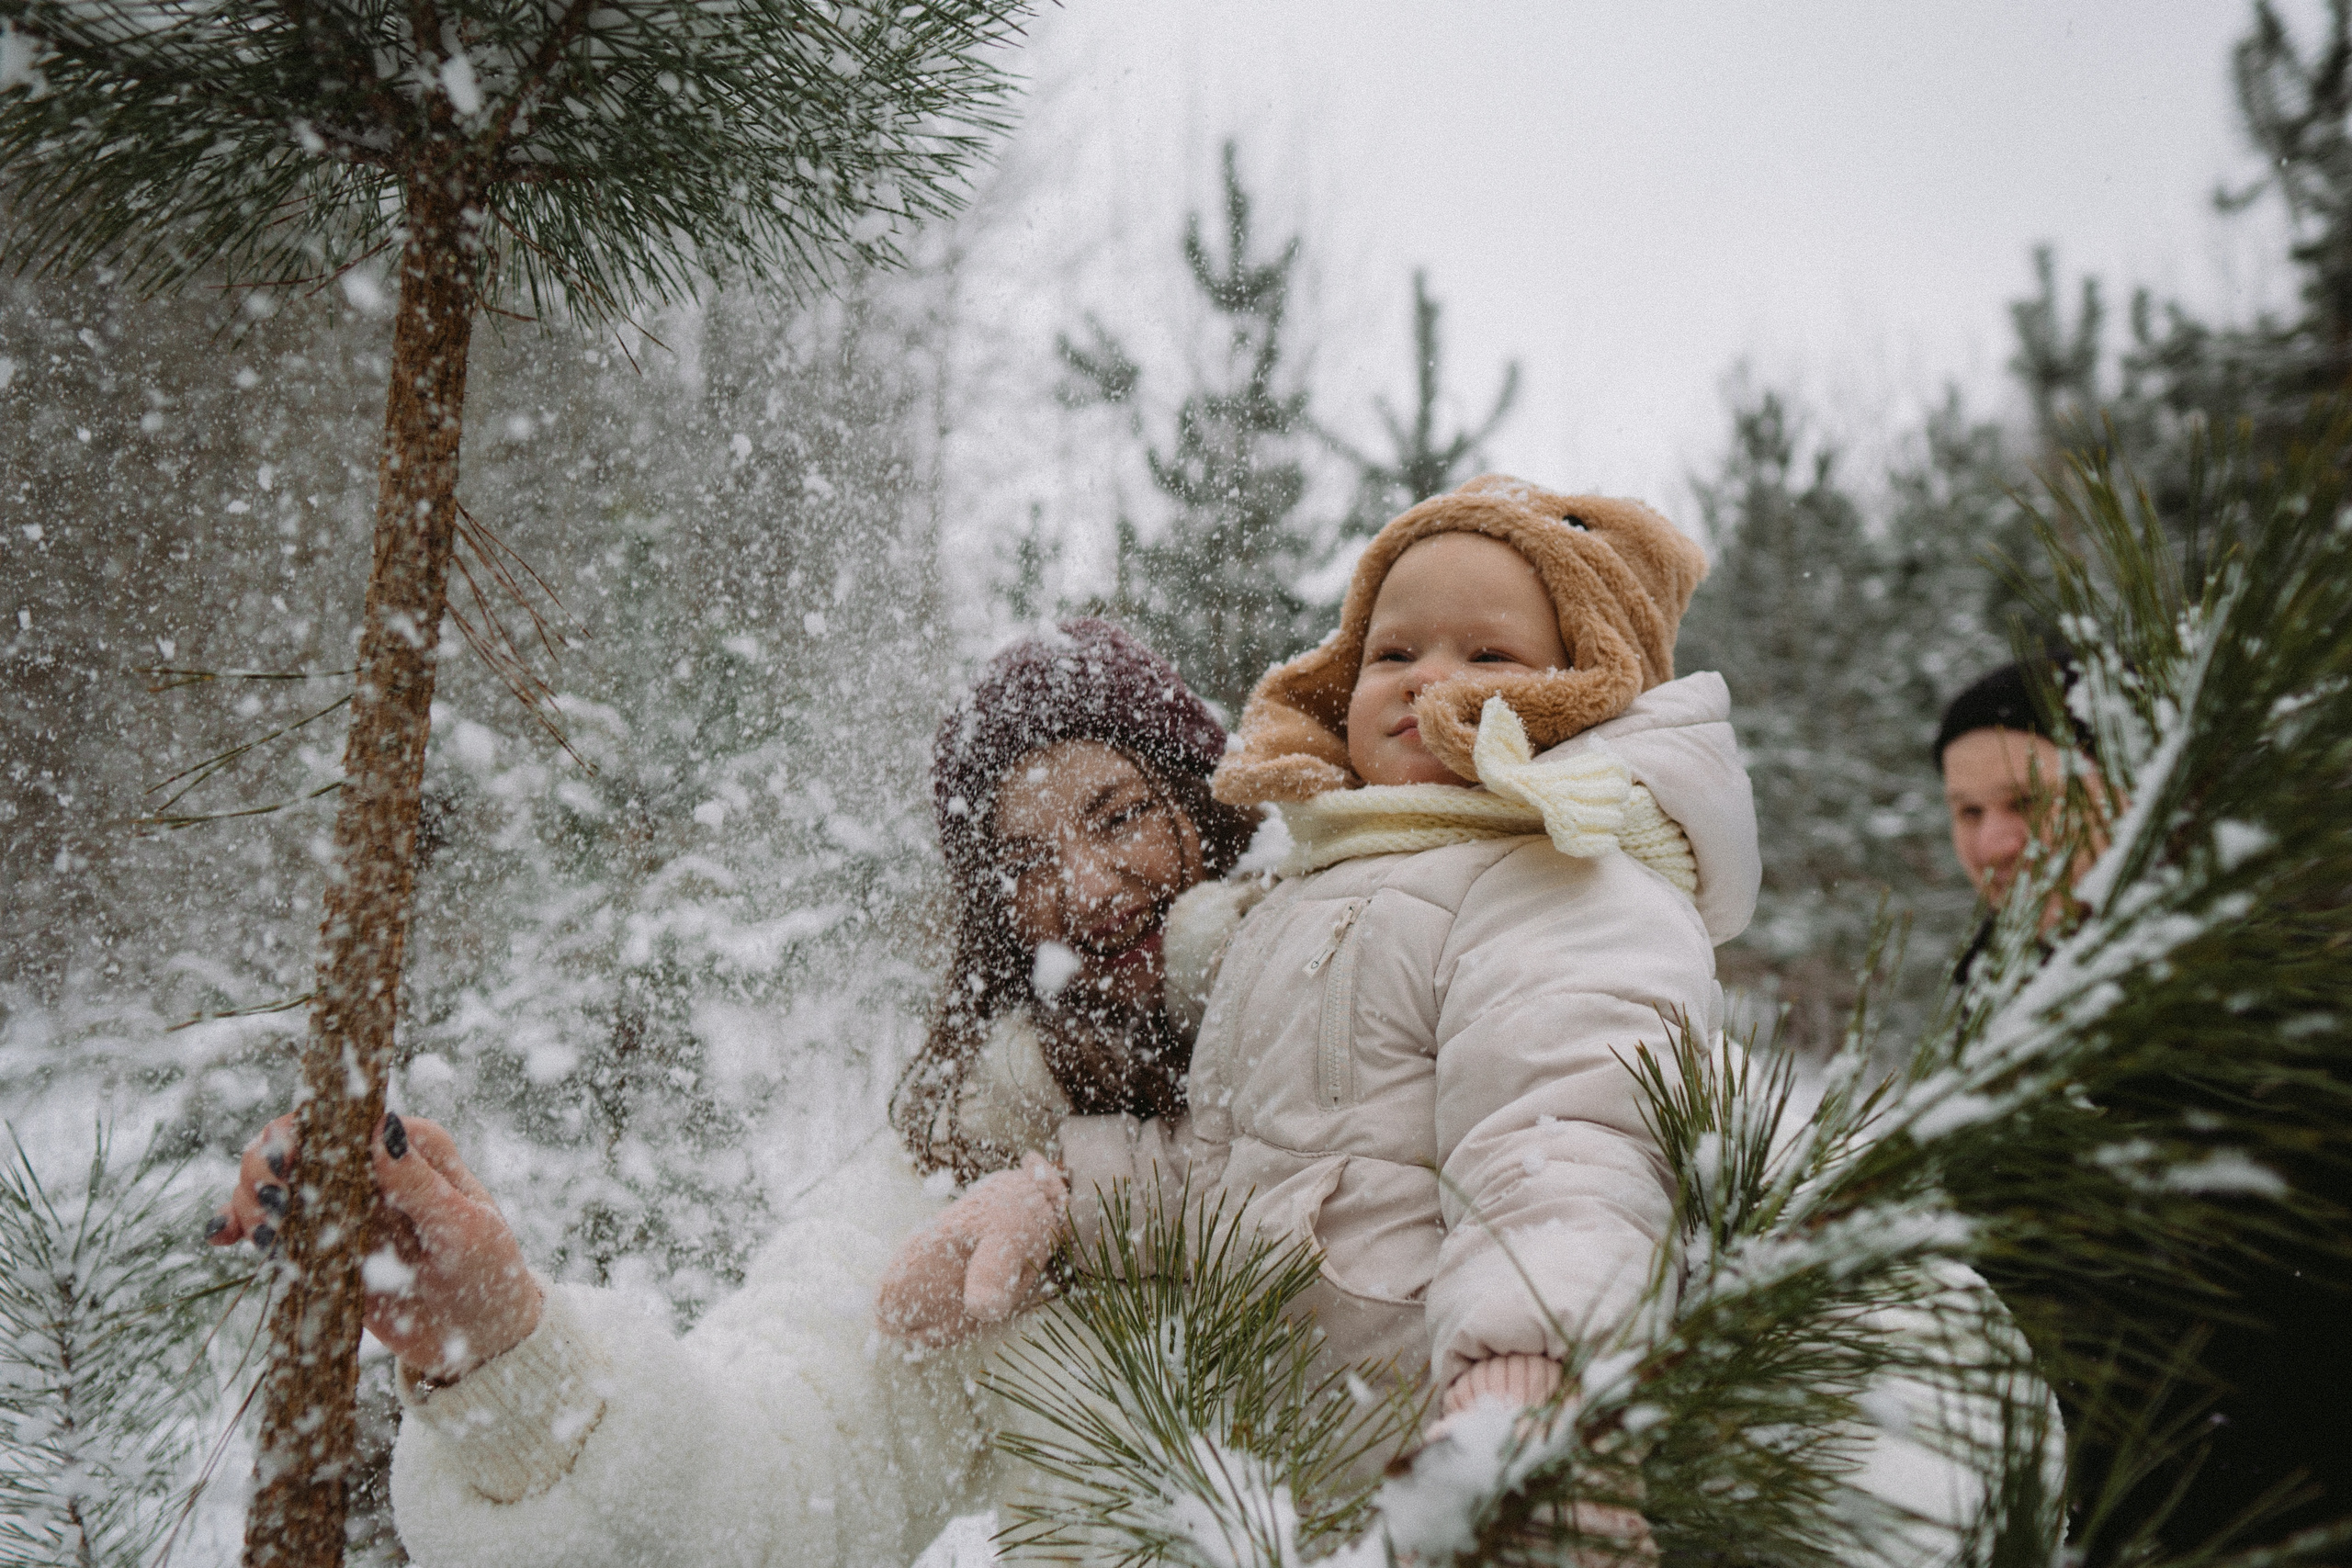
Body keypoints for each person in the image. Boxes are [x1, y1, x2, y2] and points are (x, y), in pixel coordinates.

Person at [208, 618, 1257, 1568]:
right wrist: (501, 1353)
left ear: (1211, 802)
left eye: (1119, 816)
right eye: (1024, 860)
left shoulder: (1406, 989)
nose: (1081, 886)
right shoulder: (977, 1157)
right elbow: (778, 1465)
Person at [884, 476, 1760, 1446]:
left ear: (1582, 687)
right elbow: (1230, 1174)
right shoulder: (1310, 904)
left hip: (1451, 1445)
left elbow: (1569, 1145)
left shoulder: (1563, 876)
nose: (1428, 678)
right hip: (1287, 1472)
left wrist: (1530, 1358)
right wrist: (1060, 1199)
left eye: (1487, 653)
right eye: (1393, 651)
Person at [1935, 660, 2352, 1556]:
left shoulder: (2267, 980)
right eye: (1967, 811)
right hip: (2111, 1511)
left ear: (2134, 797)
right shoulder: (1993, 996)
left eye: (2030, 803)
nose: (1993, 842)